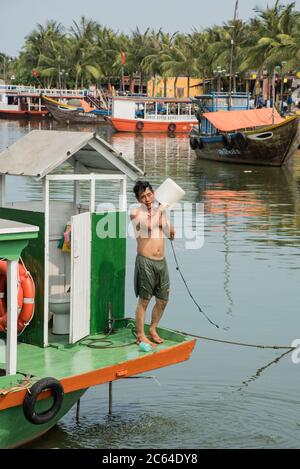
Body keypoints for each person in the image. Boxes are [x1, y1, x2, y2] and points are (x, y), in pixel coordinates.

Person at [130, 181, 175, 347]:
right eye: (143, 196)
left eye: (149, 195)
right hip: (145, 261)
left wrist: (166, 220)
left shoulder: (158, 213)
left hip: (161, 262)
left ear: (154, 193)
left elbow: (170, 235)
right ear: (138, 199)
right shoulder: (136, 213)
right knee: (144, 300)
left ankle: (153, 328)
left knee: (163, 299)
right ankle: (141, 335)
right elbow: (149, 227)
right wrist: (161, 209)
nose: (147, 199)